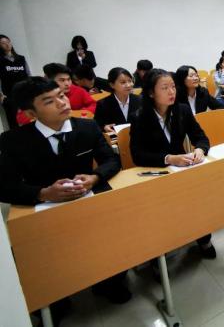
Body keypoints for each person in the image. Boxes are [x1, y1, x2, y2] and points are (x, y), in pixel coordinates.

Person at [0, 77, 130, 312]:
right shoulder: (13, 141)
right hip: (44, 210)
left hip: (88, 201)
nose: (62, 103)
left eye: (61, 95)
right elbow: (5, 186)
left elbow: (112, 160)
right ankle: (55, 300)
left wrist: (94, 177)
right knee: (39, 258)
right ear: (31, 113)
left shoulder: (87, 127)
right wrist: (43, 192)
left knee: (114, 233)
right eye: (49, 101)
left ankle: (109, 282)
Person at [129, 69, 216, 259]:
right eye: (165, 88)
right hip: (156, 173)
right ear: (151, 93)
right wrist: (168, 158)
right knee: (162, 212)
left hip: (182, 170)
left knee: (197, 201)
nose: (171, 92)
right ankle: (160, 252)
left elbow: (201, 137)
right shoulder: (139, 117)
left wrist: (200, 150)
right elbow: (138, 155)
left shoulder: (182, 110)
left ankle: (203, 238)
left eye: (173, 87)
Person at [17, 63, 97, 126]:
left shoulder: (78, 90)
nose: (67, 84)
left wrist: (77, 113)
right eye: (62, 80)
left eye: (69, 79)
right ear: (48, 80)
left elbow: (92, 104)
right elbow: (22, 117)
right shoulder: (37, 94)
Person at [94, 67, 141, 134]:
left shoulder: (140, 100)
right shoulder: (103, 104)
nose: (128, 85)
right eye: (123, 82)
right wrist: (104, 127)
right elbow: (97, 125)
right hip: (115, 138)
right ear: (112, 85)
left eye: (130, 81)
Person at [0, 34, 31, 129]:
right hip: (9, 96)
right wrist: (1, 95)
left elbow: (28, 75)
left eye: (8, 42)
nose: (7, 44)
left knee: (28, 119)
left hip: (24, 94)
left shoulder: (21, 58)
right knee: (14, 123)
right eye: (3, 43)